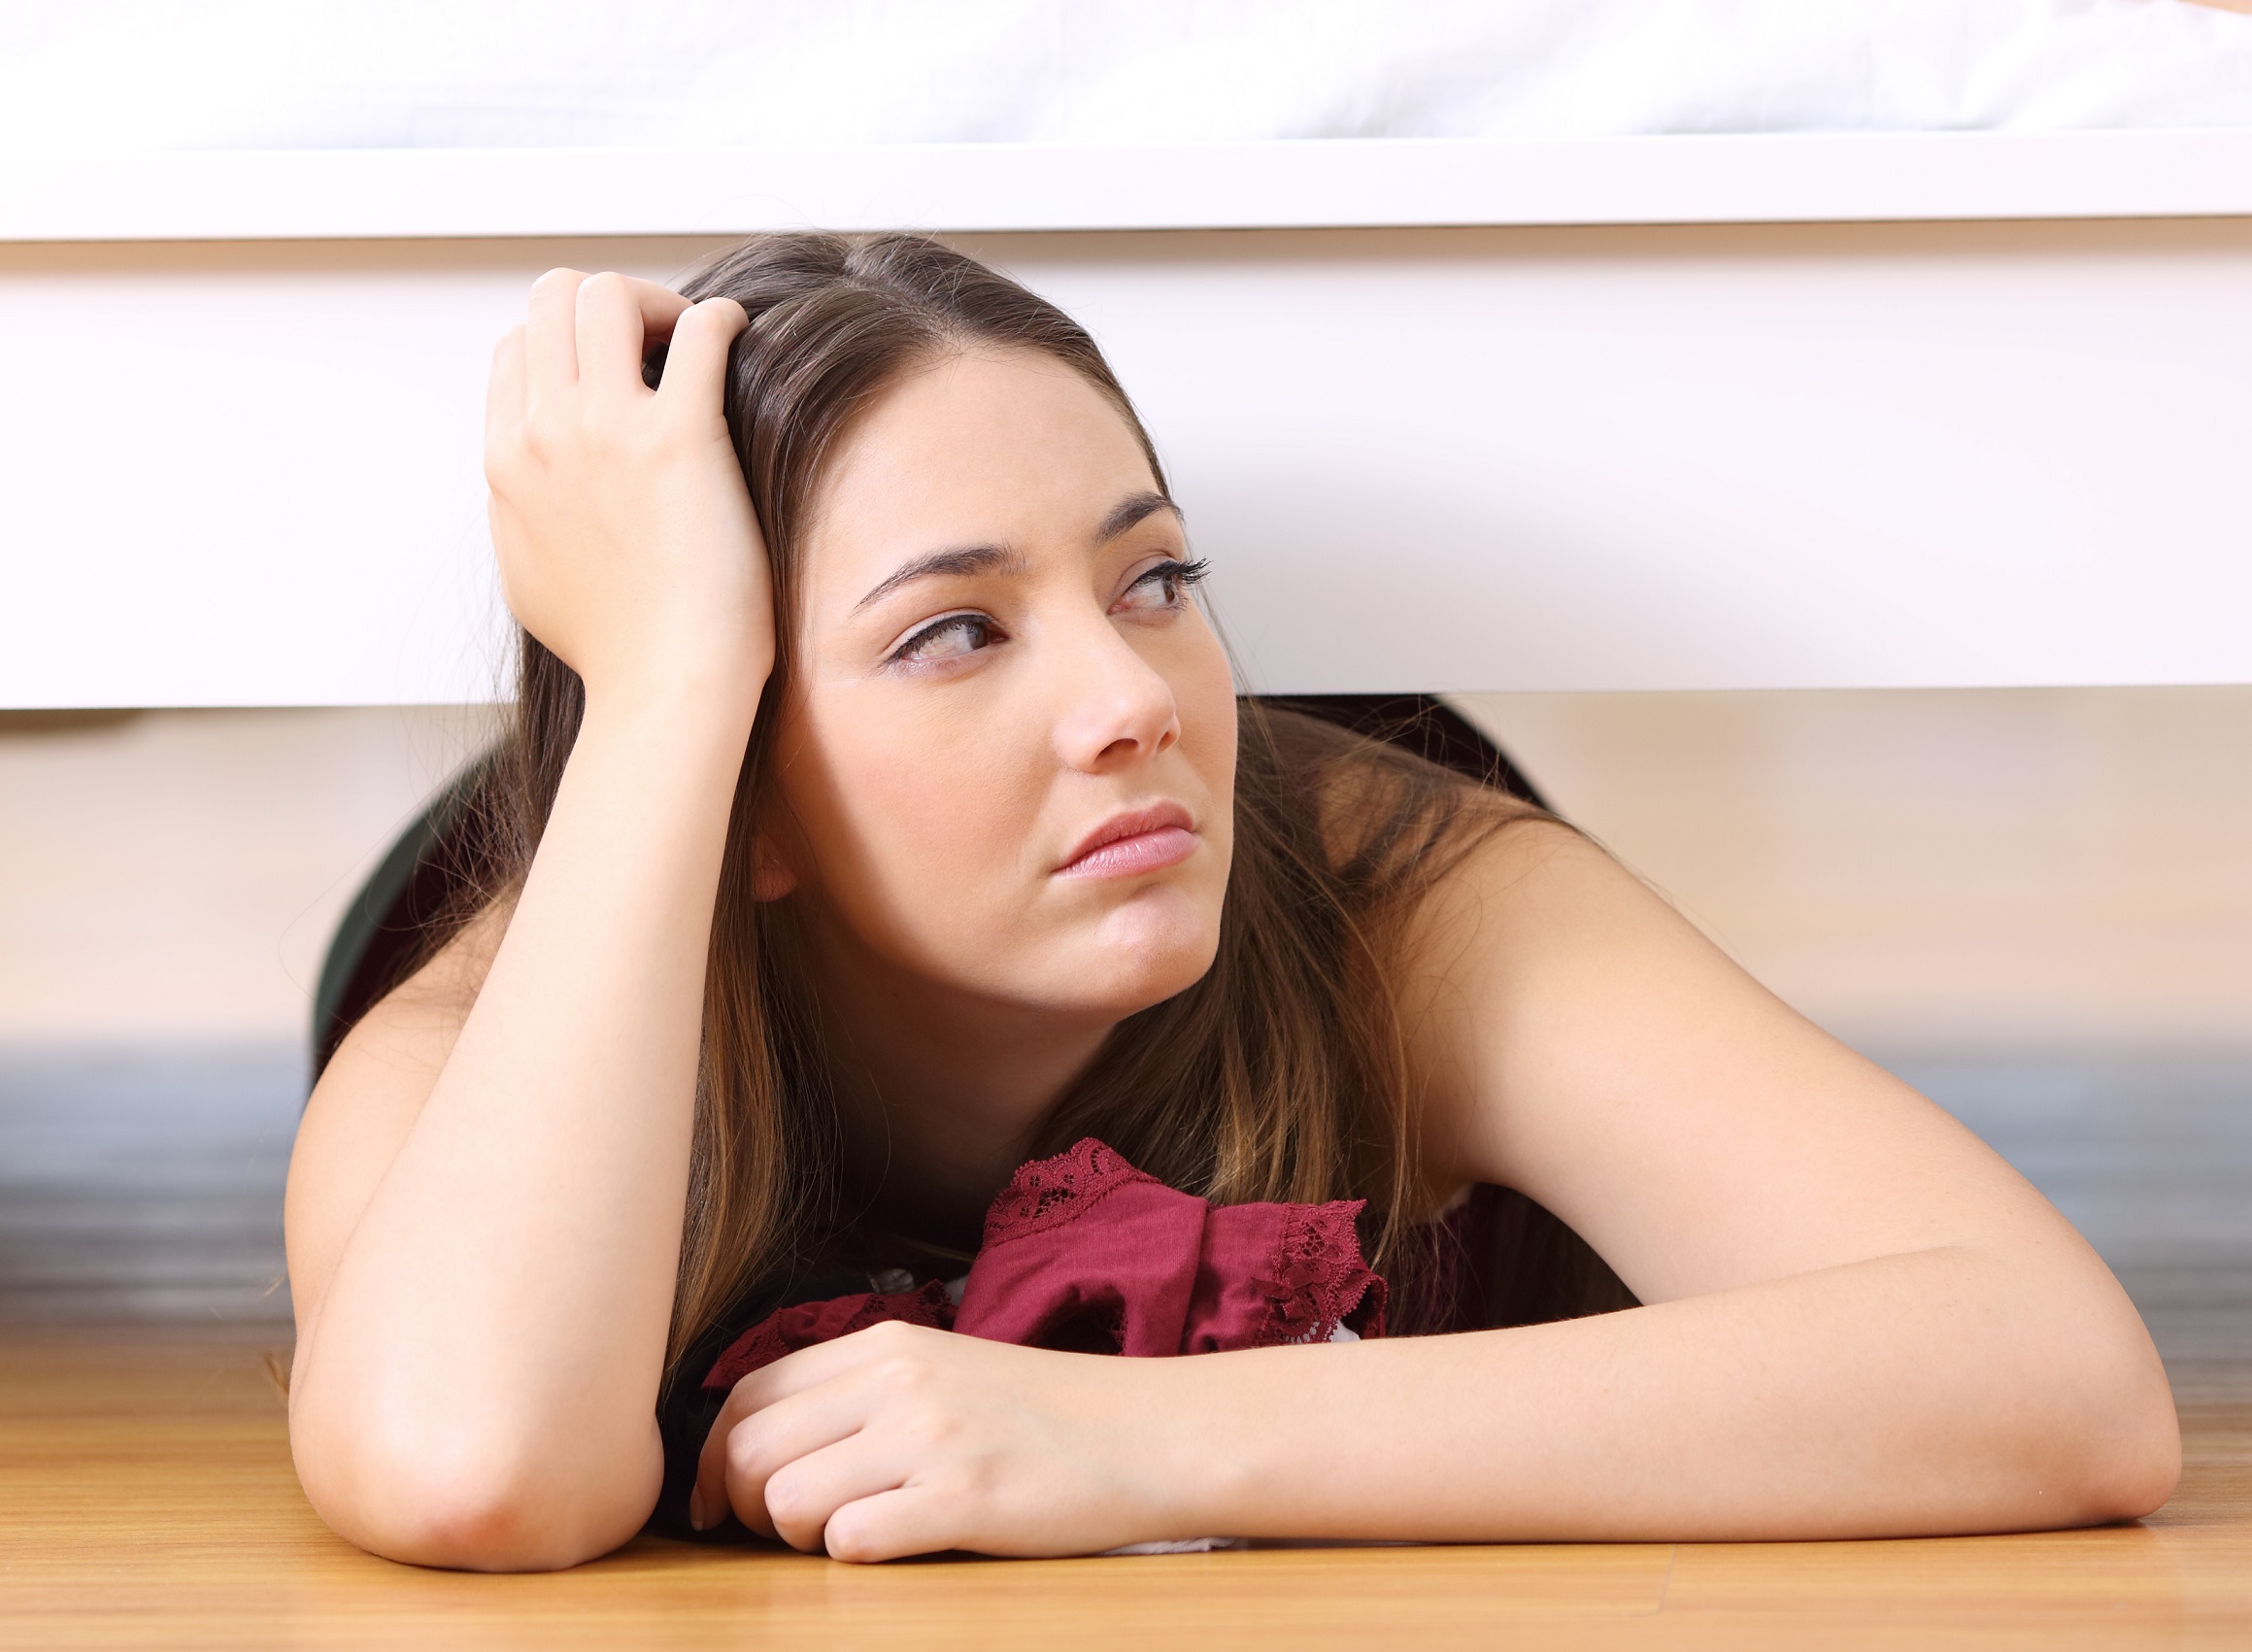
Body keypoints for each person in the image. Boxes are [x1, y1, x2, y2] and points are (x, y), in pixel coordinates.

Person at [284, 234, 2178, 1572]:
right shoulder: (465, 1026)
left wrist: (1125, 1442)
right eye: (952, 632)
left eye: (1153, 580)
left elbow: (2057, 1379)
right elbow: (470, 1468)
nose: (1131, 707)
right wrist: (671, 684)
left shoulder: (1384, 885)